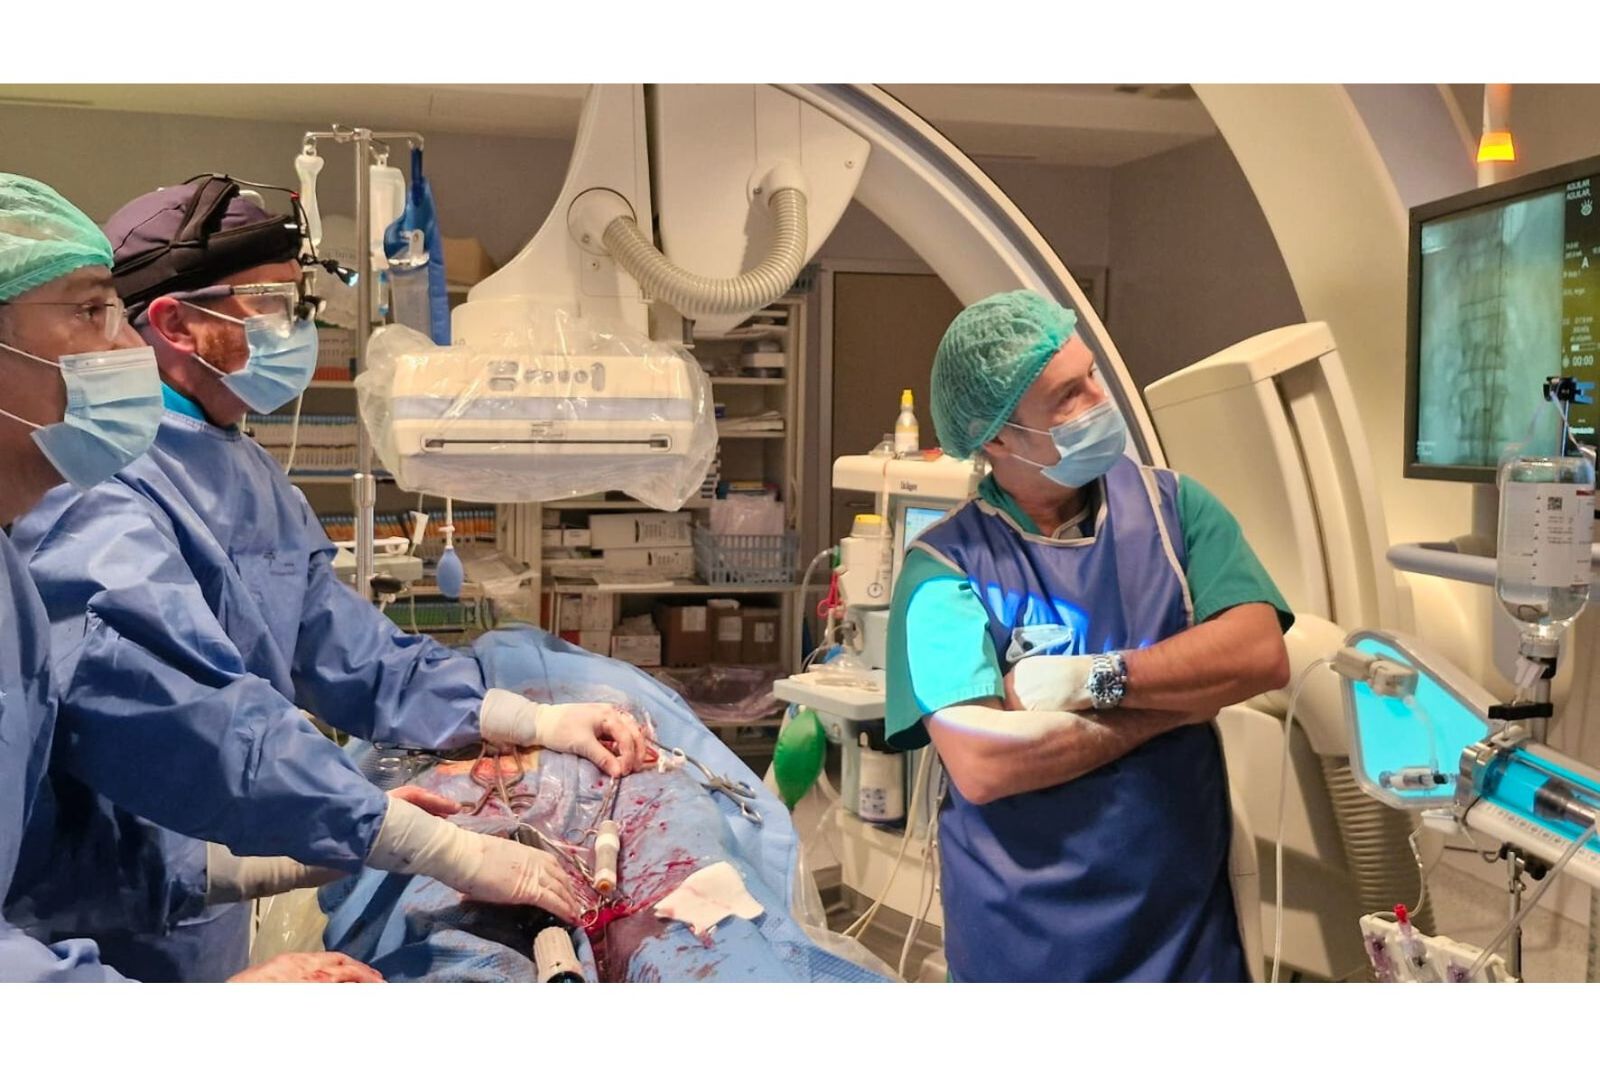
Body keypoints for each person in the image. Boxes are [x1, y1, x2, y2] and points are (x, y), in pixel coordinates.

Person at [8, 174, 645, 981]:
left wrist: (525, 718)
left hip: (185, 894)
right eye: (270, 306)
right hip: (82, 946)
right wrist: (420, 842)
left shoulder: (240, 469)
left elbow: (346, 650)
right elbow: (199, 726)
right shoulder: (87, 487)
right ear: (176, 324)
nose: (297, 328)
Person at [0, 173, 381, 983]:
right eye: (92, 310)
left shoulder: (12, 567)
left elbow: (40, 852)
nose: (125, 344)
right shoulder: (90, 501)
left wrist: (227, 869)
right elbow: (188, 721)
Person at [884, 290, 1292, 982]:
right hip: (1025, 943)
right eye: (1069, 395)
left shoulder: (1175, 511)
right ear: (998, 438)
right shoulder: (942, 571)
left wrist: (1096, 679)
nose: (1100, 400)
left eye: (1092, 375)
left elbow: (1258, 654)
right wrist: (1171, 711)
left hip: (1182, 936)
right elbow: (984, 764)